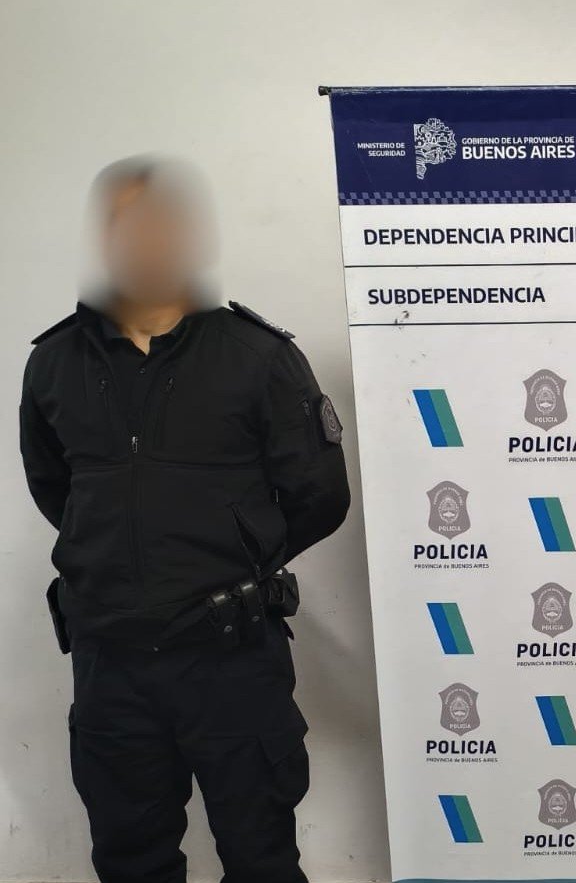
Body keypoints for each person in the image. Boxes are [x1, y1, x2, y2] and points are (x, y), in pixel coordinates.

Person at [18, 155, 351, 883]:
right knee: (130, 863)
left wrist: (235, 553)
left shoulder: (258, 357)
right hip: (109, 666)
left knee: (262, 861)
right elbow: (56, 492)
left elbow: (320, 496)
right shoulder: (53, 363)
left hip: (231, 659)